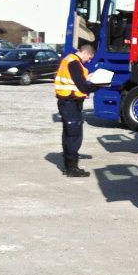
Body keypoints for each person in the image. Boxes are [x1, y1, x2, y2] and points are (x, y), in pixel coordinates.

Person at [54, 43, 100, 178]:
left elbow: (76, 80)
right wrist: (98, 86)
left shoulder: (70, 60)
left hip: (67, 102)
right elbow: (81, 86)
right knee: (74, 135)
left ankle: (68, 166)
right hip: (70, 103)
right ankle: (72, 168)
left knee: (68, 134)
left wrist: (88, 78)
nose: (89, 60)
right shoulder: (74, 63)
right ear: (86, 53)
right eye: (89, 57)